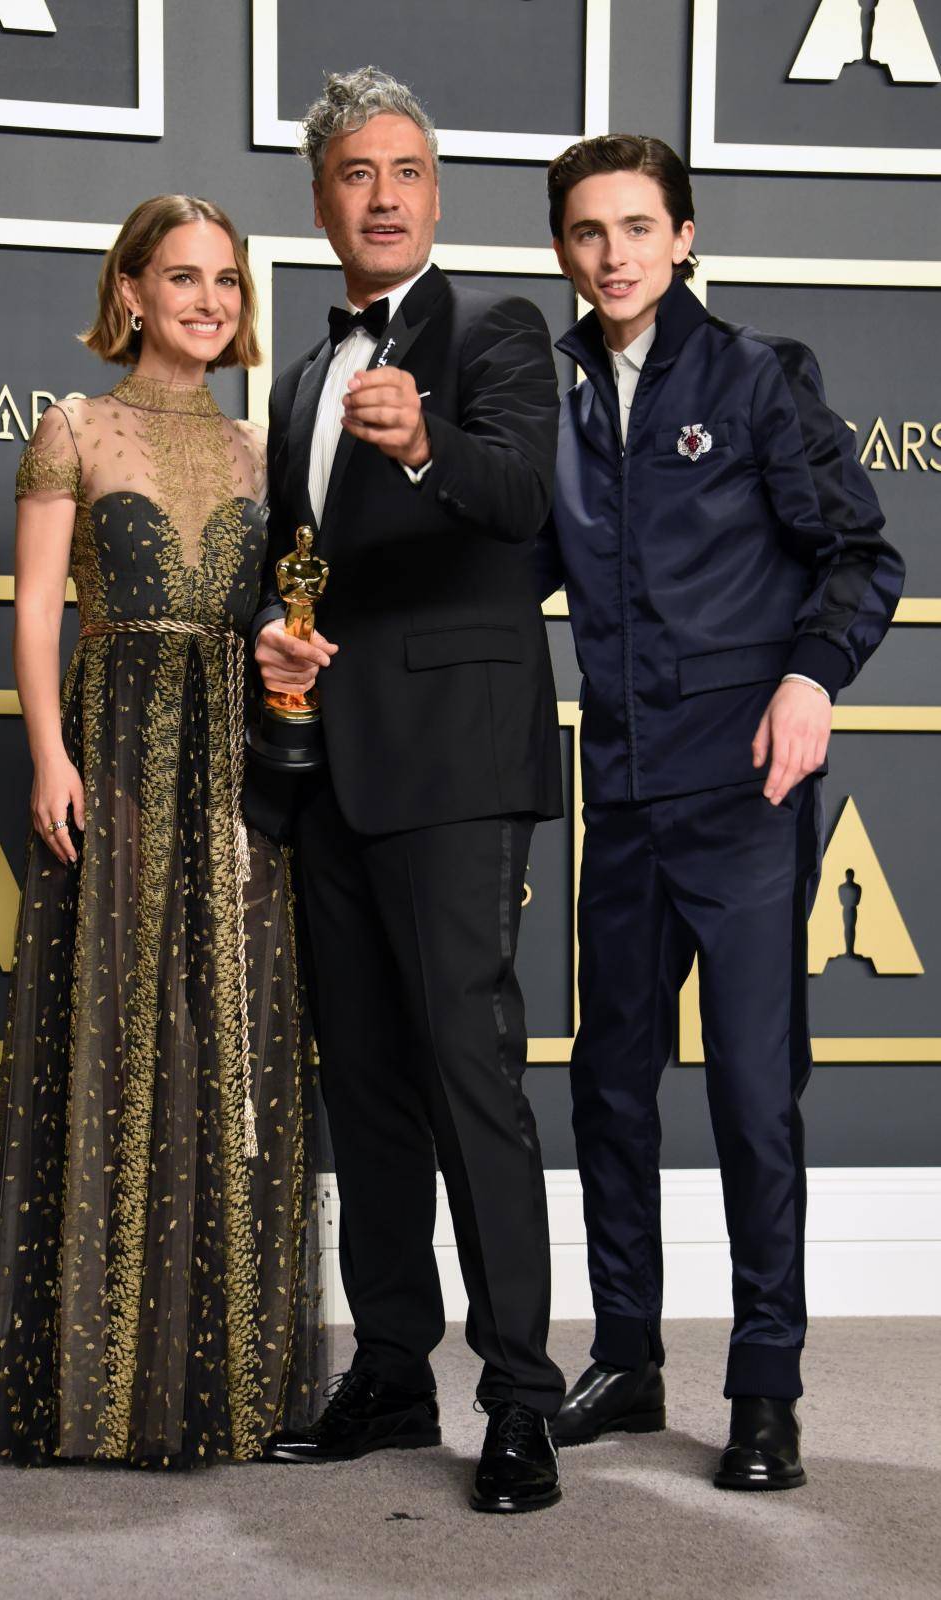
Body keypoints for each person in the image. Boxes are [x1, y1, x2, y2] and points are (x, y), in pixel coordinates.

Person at [537, 135, 904, 1489]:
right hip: (621, 792)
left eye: (639, 226)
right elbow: (505, 566)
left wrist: (812, 677)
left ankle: (766, 1388)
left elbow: (860, 552)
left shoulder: (756, 378)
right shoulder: (553, 394)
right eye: (587, 231)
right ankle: (626, 1358)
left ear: (683, 236)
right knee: (607, 1090)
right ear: (563, 249)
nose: (614, 254)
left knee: (754, 1098)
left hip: (744, 792)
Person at [0, 195, 323, 1468]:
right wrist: (48, 752)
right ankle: (95, 1385)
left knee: (235, 1032)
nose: (210, 300)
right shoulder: (73, 428)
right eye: (183, 277)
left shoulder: (262, 450)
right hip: (112, 749)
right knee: (114, 1025)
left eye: (225, 280)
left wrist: (286, 667)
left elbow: (280, 620)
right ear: (129, 291)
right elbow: (37, 606)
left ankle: (229, 1378)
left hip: (236, 763)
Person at [252, 67, 565, 1515]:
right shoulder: (304, 375)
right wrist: (275, 632)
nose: (379, 196)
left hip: (450, 770)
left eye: (403, 171)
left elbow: (516, 500)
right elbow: (300, 564)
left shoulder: (497, 327)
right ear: (321, 201)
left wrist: (428, 441)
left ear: (436, 193)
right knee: (362, 1091)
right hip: (324, 770)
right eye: (352, 175)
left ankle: (519, 1399)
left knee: (470, 1086)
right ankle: (388, 1371)